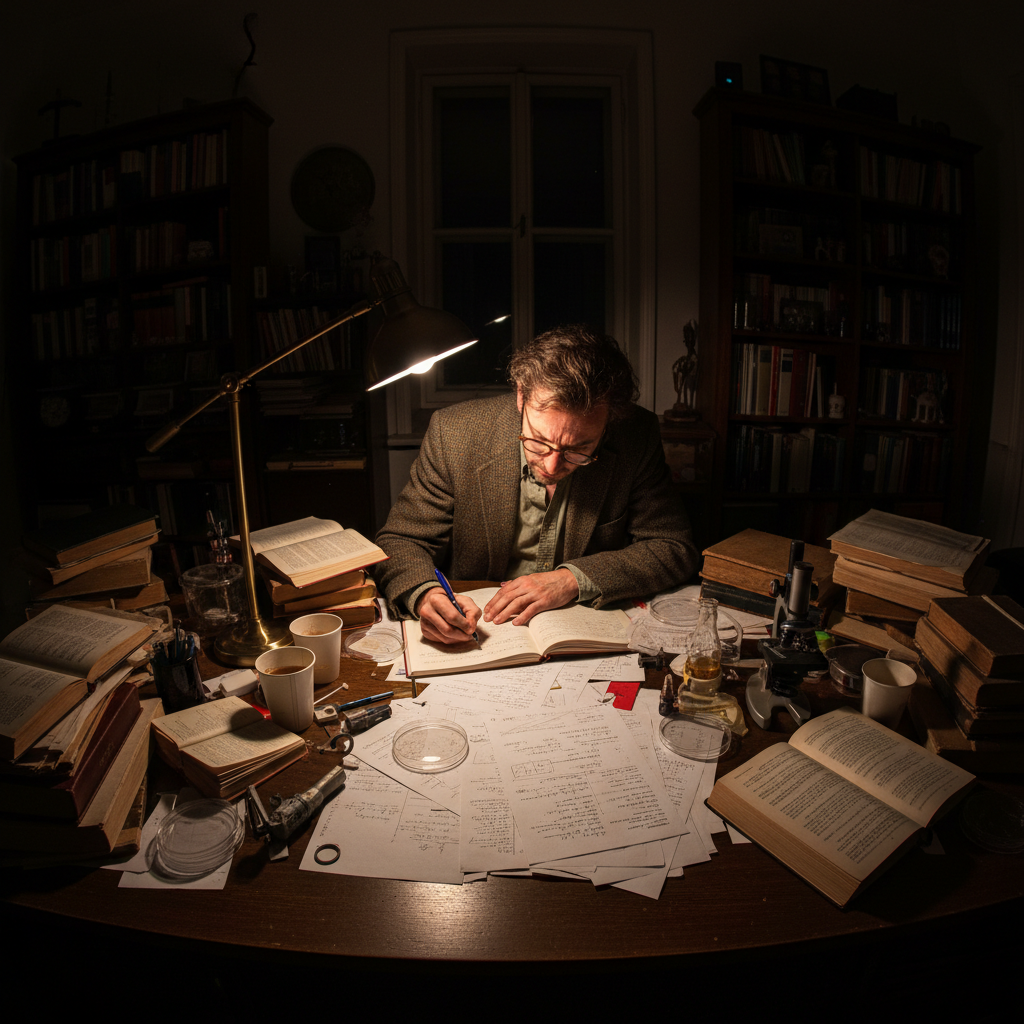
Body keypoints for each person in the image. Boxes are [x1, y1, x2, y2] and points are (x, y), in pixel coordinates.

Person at [375, 325, 698, 644]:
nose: (552, 466)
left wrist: (572, 580)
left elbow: (672, 546)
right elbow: (400, 541)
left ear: (609, 420)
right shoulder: (455, 433)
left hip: (581, 632)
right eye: (539, 441)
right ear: (521, 396)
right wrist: (425, 594)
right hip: (480, 633)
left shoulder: (636, 435)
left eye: (579, 449)